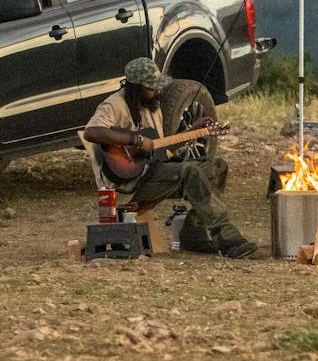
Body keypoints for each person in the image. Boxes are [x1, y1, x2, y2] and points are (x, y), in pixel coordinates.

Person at [83, 57, 257, 258]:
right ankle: (228, 238)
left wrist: (192, 132)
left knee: (216, 167)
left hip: (153, 173)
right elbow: (92, 132)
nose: (158, 92)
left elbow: (160, 151)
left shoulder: (153, 109)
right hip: (128, 185)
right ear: (136, 88)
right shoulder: (115, 105)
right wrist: (135, 140)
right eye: (152, 88)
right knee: (189, 171)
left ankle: (195, 235)